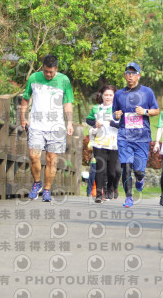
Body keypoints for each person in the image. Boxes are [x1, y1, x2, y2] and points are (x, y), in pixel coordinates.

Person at [20, 54, 74, 202]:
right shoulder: (34, 78)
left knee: (52, 159)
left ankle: (47, 190)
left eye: (51, 72)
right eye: (46, 71)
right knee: (34, 156)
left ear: (56, 68)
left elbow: (68, 103)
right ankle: (37, 182)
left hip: (56, 127)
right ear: (42, 68)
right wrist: (22, 117)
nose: (48, 74)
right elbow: (25, 98)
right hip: (36, 124)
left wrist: (69, 122)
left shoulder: (64, 80)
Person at [113, 62, 159, 208]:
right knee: (126, 166)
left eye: (133, 73)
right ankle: (128, 197)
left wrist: (144, 112)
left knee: (139, 170)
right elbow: (114, 114)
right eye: (128, 73)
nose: (130, 76)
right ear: (125, 75)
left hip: (142, 137)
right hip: (124, 136)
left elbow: (156, 110)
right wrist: (117, 114)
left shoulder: (147, 92)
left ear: (139, 75)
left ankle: (140, 179)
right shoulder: (119, 94)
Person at [86, 84, 119, 203]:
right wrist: (95, 124)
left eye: (110, 95)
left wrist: (113, 123)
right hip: (99, 143)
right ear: (102, 95)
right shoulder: (96, 108)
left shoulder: (118, 109)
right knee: (100, 169)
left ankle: (110, 188)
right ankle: (99, 194)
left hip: (114, 144)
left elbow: (123, 125)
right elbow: (88, 120)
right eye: (106, 95)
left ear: (114, 96)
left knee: (111, 171)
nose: (108, 97)